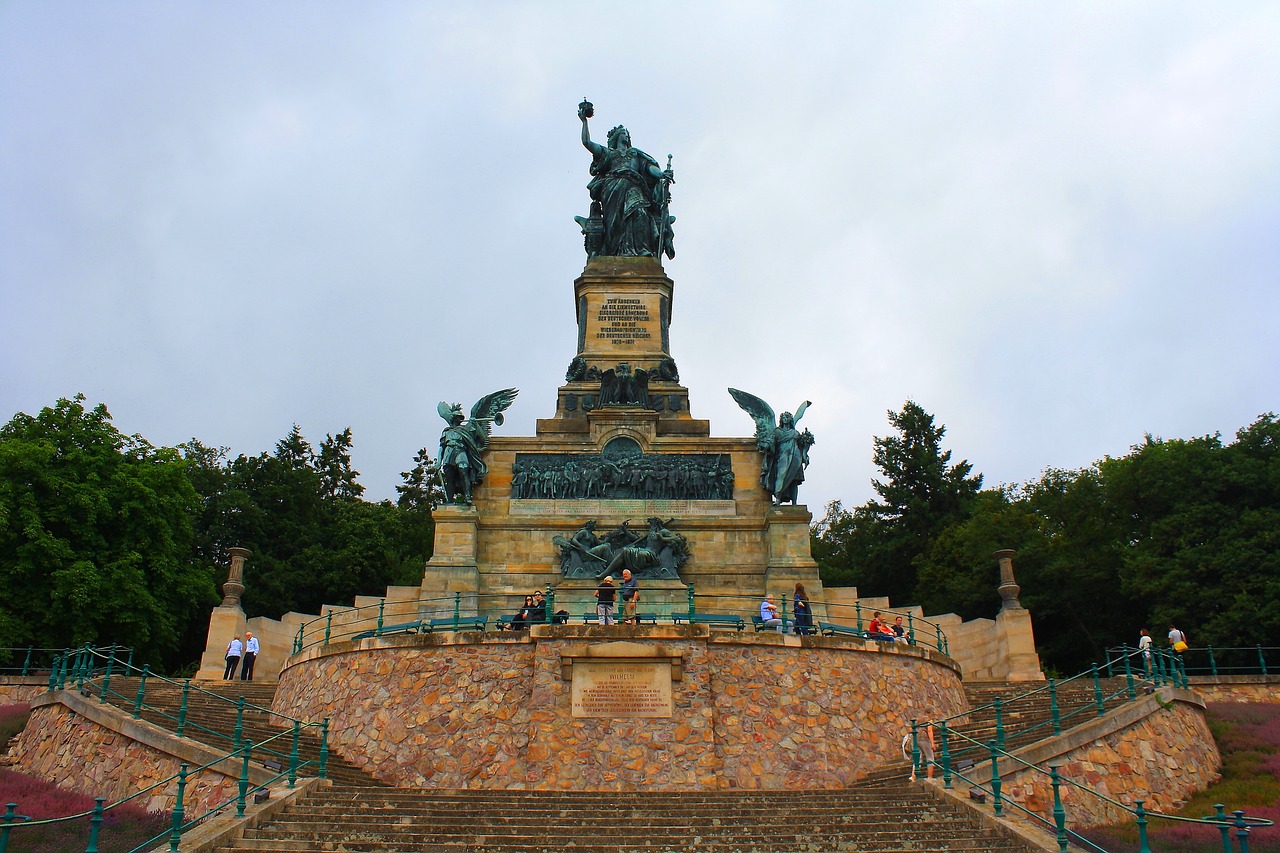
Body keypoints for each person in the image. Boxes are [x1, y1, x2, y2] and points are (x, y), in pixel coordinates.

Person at [579, 104, 675, 259]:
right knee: (614, 223)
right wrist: (584, 122)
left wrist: (661, 174)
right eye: (623, 133)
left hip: (634, 186)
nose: (626, 135)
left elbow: (648, 168)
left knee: (639, 212)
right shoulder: (609, 154)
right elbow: (587, 143)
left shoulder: (635, 153)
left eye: (627, 133)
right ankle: (615, 249)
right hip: (612, 189)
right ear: (616, 137)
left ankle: (640, 249)